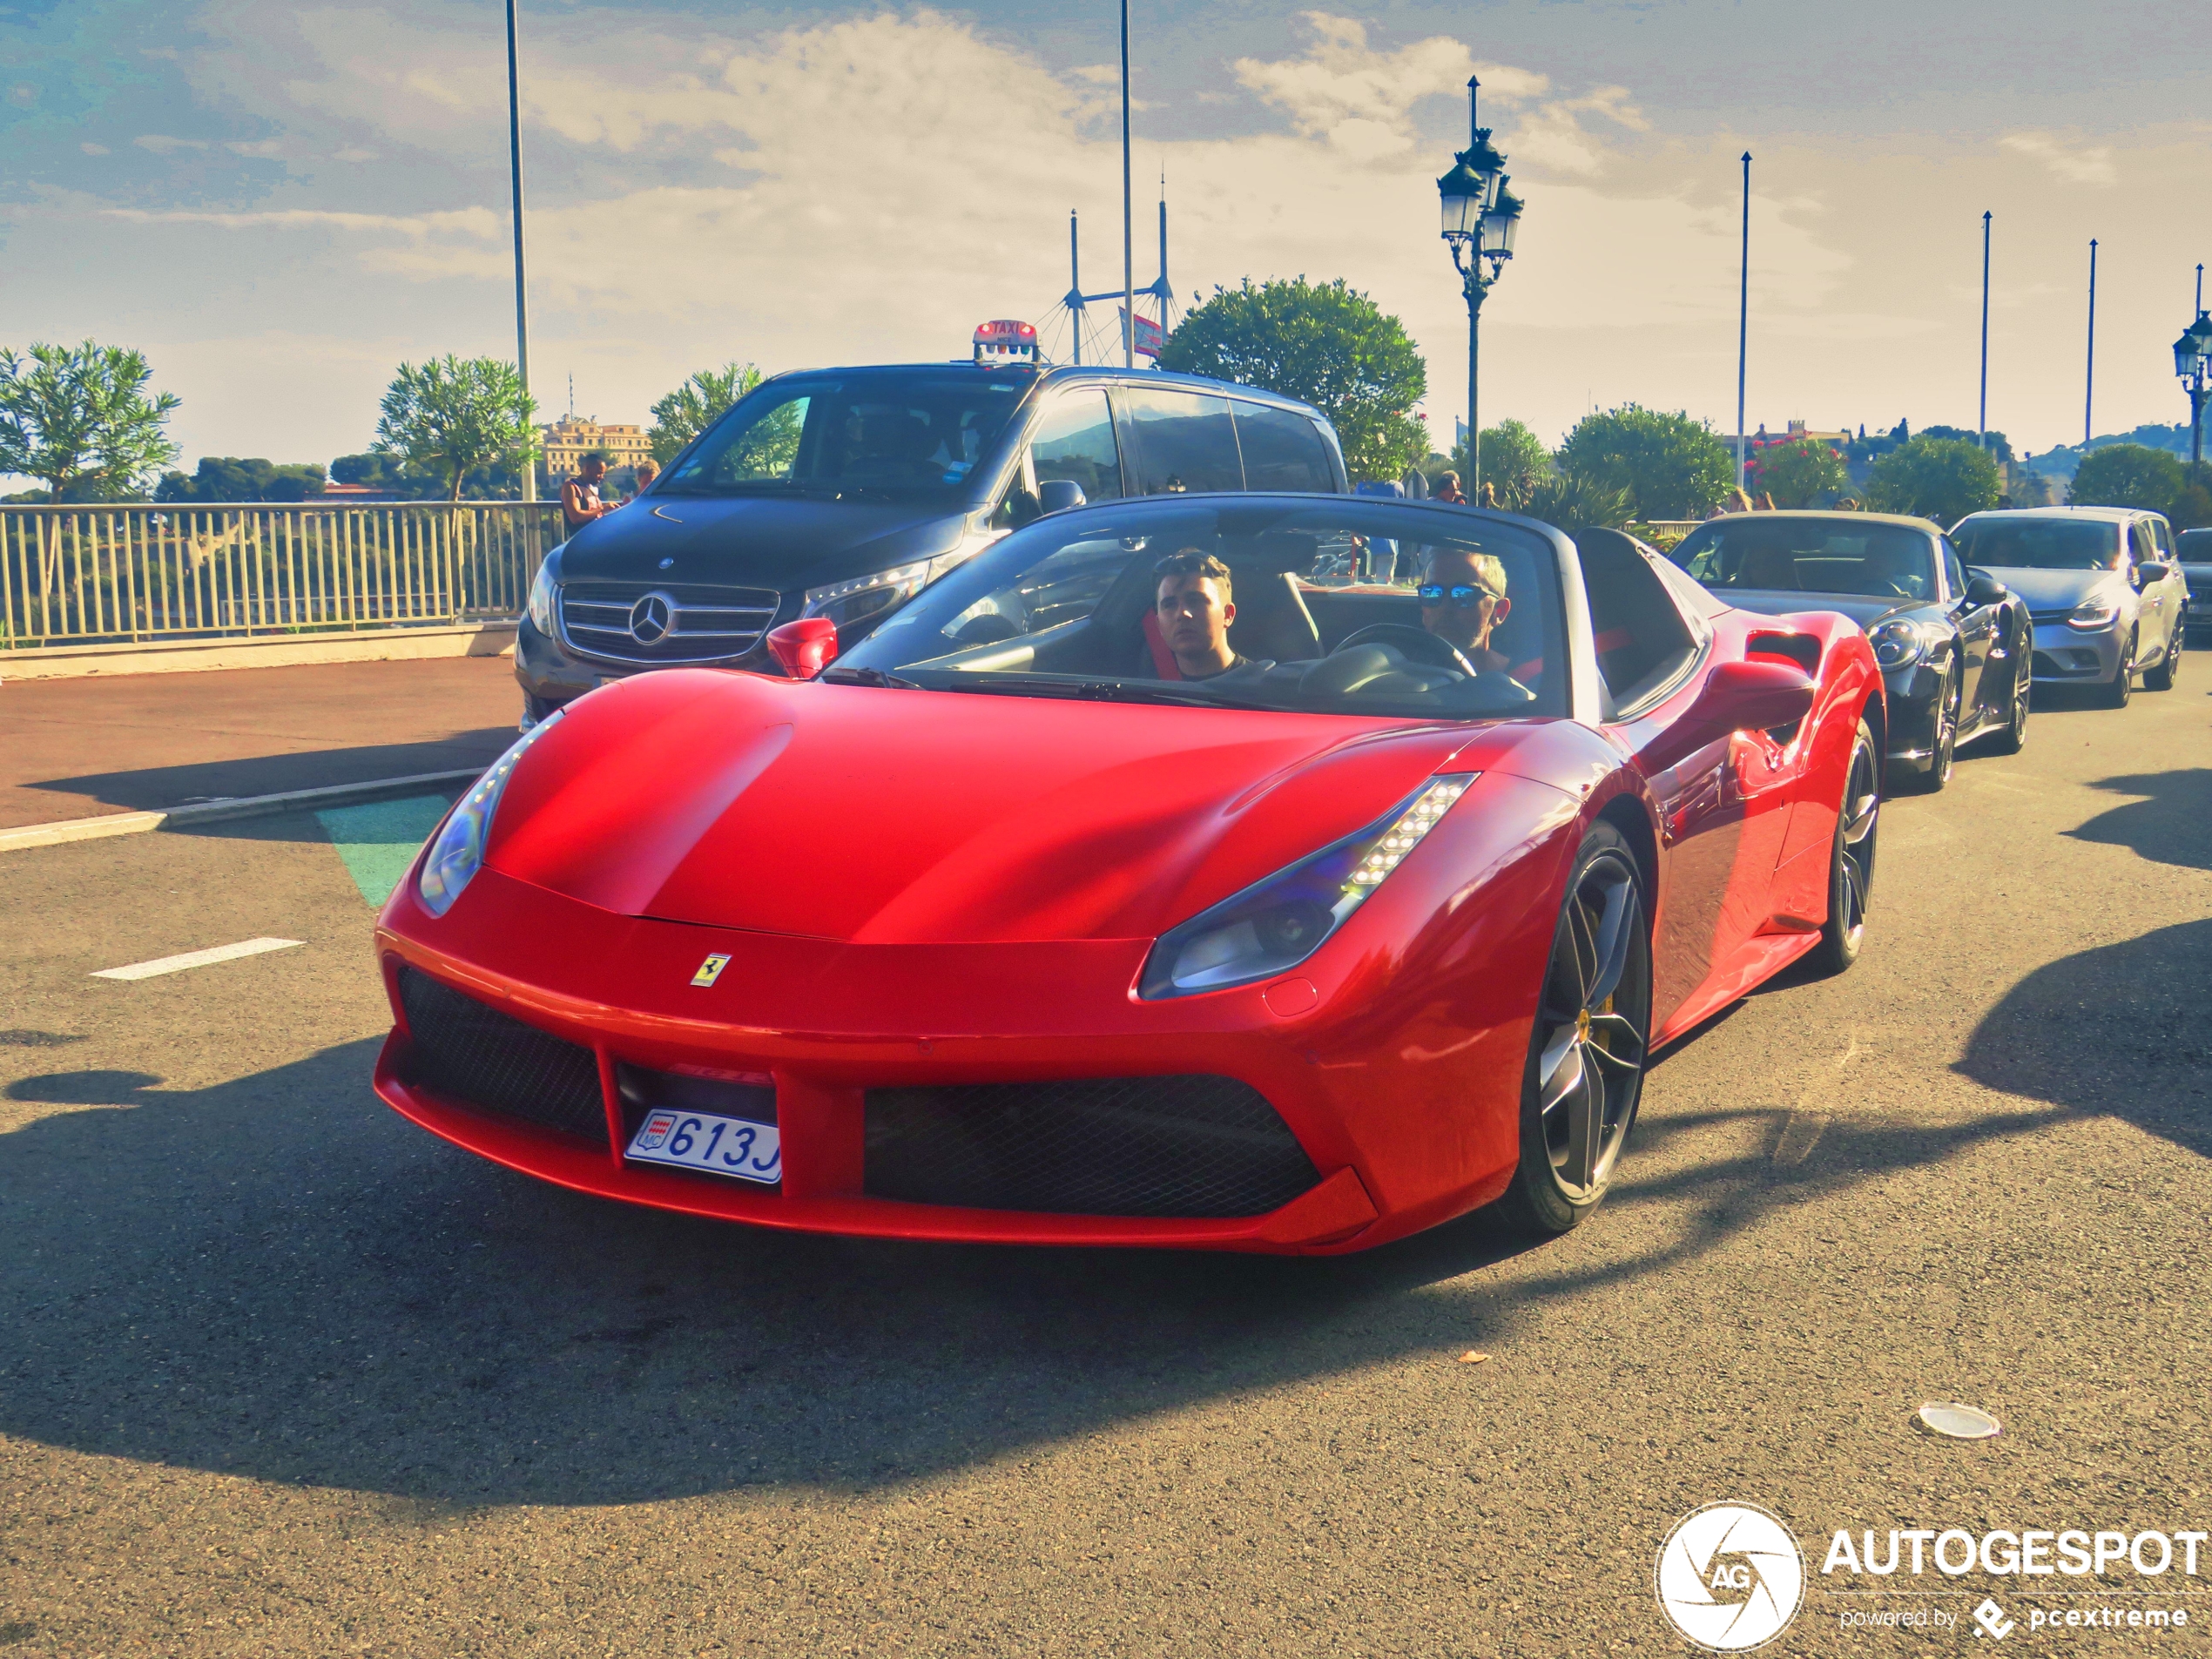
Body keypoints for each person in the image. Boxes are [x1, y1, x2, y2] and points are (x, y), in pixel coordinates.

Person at [1139, 550, 1263, 680]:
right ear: (1159, 624)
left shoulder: (1260, 689)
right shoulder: (1144, 692)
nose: (1182, 613)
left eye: (1195, 601)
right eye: (1169, 605)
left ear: (1228, 615)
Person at [1418, 547, 1513, 673]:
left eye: (1464, 595)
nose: (1444, 607)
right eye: (1432, 593)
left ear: (1499, 611)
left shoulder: (1521, 682)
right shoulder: (1400, 670)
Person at [562, 450, 617, 534]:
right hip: (581, 539)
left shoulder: (592, 488)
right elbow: (576, 517)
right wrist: (602, 508)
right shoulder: (571, 487)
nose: (602, 477)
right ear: (587, 469)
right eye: (599, 473)